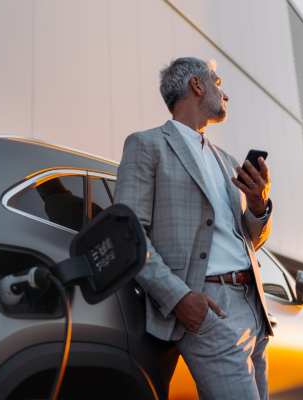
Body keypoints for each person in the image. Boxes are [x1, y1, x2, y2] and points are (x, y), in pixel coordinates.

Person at [113, 57, 273, 400]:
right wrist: (180, 298)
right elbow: (129, 234)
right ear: (197, 86)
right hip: (210, 306)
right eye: (217, 82)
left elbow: (249, 240)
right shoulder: (146, 145)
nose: (225, 93)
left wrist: (259, 205)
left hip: (254, 306)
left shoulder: (228, 160)